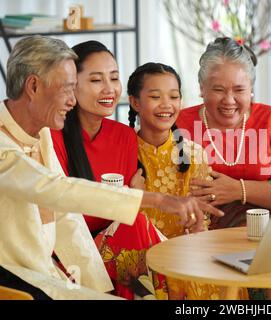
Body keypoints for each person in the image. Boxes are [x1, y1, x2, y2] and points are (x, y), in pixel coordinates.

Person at [0, 35, 223, 300]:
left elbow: (66, 219)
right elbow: (58, 190)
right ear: (34, 86)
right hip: (15, 277)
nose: (71, 101)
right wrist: (159, 200)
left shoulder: (42, 134)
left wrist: (99, 287)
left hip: (49, 275)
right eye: (67, 89)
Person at [176, 37, 271, 231]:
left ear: (251, 89)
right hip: (202, 236)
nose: (229, 100)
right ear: (202, 88)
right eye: (218, 89)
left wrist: (239, 190)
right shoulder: (178, 125)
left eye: (239, 90)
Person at [126, 62, 224, 300]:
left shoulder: (194, 153)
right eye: (155, 96)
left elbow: (202, 223)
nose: (166, 105)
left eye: (174, 96)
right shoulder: (123, 151)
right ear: (135, 102)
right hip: (138, 255)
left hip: (184, 252)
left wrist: (198, 226)